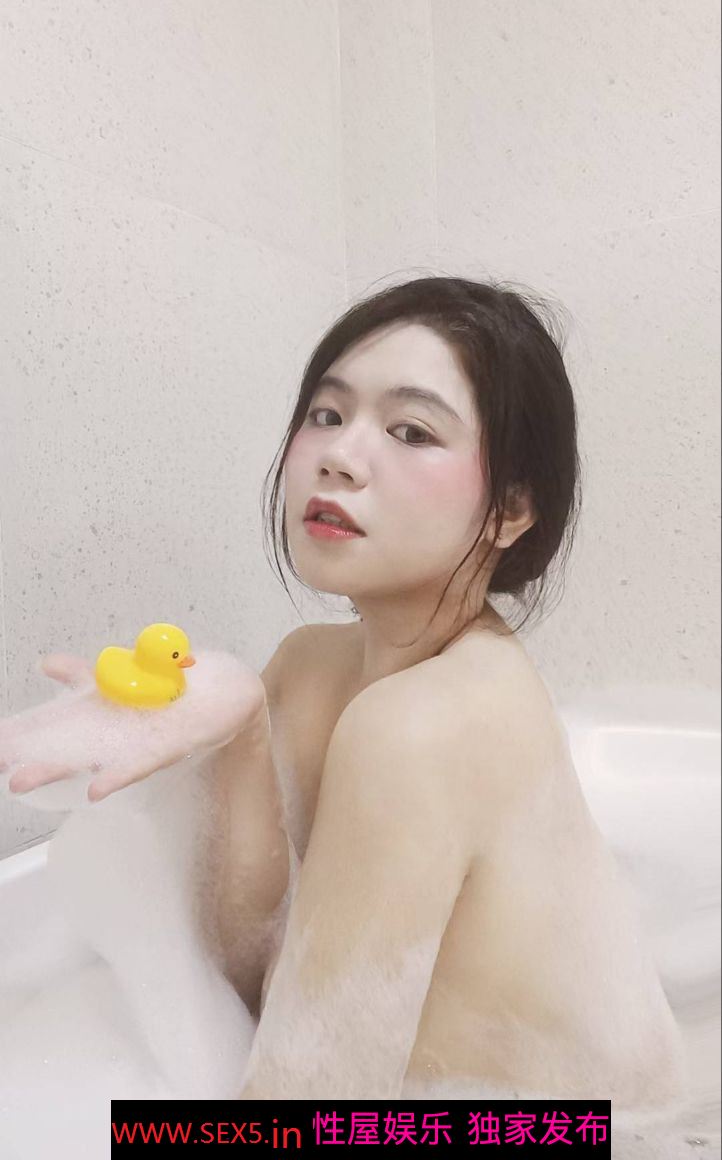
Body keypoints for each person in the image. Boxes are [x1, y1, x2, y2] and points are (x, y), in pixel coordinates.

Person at [1, 275, 686, 1110]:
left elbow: (306, 1117)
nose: (339, 456)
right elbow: (257, 971)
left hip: (578, 1132)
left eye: (410, 430)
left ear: (511, 511)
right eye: (327, 414)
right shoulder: (310, 665)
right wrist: (238, 728)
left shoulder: (433, 723)